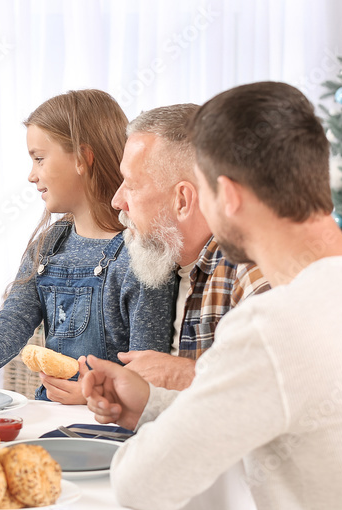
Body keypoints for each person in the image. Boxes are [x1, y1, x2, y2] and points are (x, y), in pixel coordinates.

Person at [82, 81, 342, 510]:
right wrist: (156, 404)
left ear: (228, 195)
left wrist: (158, 424)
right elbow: (286, 404)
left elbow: (142, 482)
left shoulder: (274, 326)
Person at [0, 90, 175, 405]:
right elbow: (12, 322)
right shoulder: (49, 244)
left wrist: (97, 395)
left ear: (82, 157)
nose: (31, 175)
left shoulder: (142, 256)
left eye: (39, 158)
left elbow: (150, 369)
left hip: (111, 427)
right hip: (50, 414)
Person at [111, 104, 269, 390]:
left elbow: (286, 382)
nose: (117, 200)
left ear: (182, 200)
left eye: (131, 185)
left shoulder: (254, 267)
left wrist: (183, 375)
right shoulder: (164, 261)